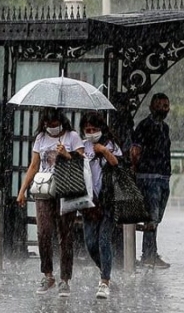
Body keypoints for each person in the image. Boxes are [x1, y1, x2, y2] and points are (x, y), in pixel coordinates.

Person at [16, 108, 84, 297]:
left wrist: (67, 155)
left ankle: (65, 279)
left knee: (65, 235)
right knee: (43, 231)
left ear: (61, 121)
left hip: (66, 190)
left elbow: (82, 162)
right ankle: (48, 274)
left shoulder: (72, 137)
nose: (52, 128)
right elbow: (34, 165)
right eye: (48, 125)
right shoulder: (40, 138)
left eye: (55, 124)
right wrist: (22, 190)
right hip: (45, 190)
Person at [79, 112, 121, 299]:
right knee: (90, 243)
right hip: (89, 202)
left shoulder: (110, 144)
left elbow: (117, 163)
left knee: (104, 240)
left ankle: (104, 281)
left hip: (108, 201)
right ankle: (105, 270)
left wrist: (103, 150)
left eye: (94, 129)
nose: (91, 133)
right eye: (87, 130)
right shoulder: (81, 146)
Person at [130, 93, 172, 269]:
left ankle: (151, 252)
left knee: (156, 218)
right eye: (160, 105)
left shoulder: (165, 128)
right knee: (151, 217)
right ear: (151, 107)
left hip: (162, 177)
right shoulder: (144, 127)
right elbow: (135, 151)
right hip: (148, 177)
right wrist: (135, 170)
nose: (163, 108)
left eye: (166, 105)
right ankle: (148, 255)